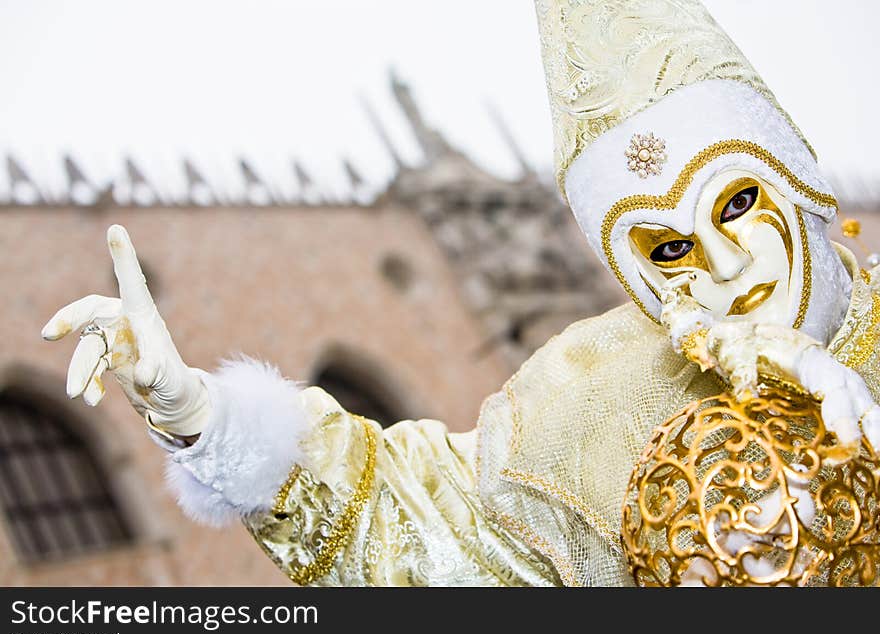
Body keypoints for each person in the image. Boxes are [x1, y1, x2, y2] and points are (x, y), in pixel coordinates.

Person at [40, 0, 880, 586]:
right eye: (666, 245)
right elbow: (409, 521)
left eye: (739, 202)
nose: (727, 268)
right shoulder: (592, 402)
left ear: (797, 176)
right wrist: (201, 413)